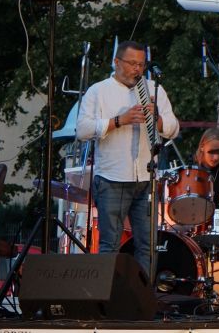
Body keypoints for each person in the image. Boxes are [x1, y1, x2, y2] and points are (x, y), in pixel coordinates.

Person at [76, 41, 179, 277]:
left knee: (148, 246)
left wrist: (159, 119)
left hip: (145, 177)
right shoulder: (98, 91)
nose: (137, 69)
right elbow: (82, 130)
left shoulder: (154, 89)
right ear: (117, 62)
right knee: (109, 245)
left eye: (141, 64)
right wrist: (118, 121)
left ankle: (141, 301)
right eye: (132, 63)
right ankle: (108, 301)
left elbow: (173, 128)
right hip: (112, 178)